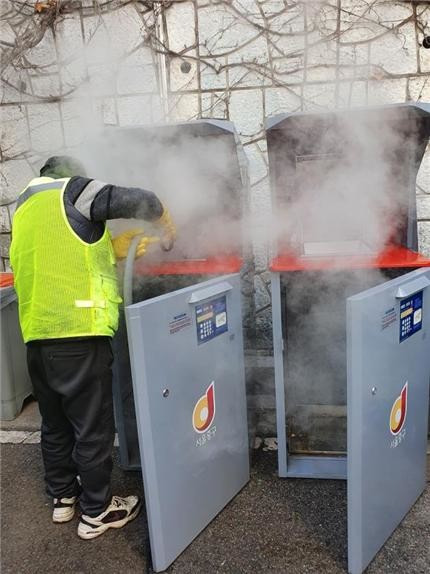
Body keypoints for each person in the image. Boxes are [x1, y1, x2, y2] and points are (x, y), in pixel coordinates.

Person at [10, 155, 176, 540]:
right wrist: (164, 221)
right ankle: (97, 511)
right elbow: (143, 200)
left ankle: (63, 498)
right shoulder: (75, 191)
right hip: (80, 335)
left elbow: (62, 257)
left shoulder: (25, 206)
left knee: (54, 424)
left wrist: (111, 248)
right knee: (92, 428)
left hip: (38, 337)